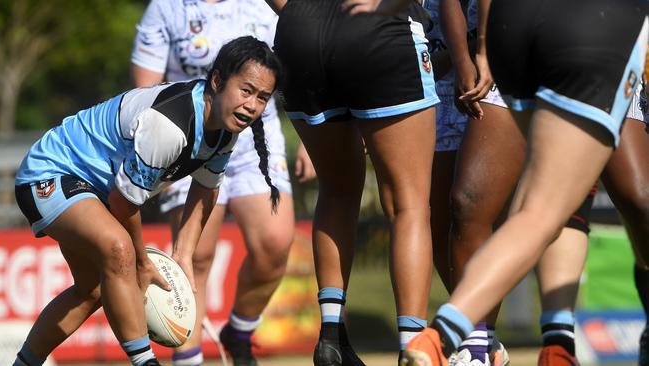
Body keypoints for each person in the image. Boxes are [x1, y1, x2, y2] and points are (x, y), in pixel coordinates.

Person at [398, 0, 649, 364]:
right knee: (543, 208)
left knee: (552, 202)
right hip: (588, 25)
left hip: (514, 26)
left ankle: (551, 343)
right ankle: (451, 334)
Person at [12, 36, 281, 366]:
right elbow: (124, 204)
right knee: (119, 249)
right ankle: (145, 362)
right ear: (217, 80)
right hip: (50, 172)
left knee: (91, 290)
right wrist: (141, 262)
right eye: (246, 90)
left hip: (93, 189)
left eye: (263, 97)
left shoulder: (227, 127)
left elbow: (206, 189)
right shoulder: (169, 125)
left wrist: (183, 254)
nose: (253, 105)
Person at [130, 1, 315, 365]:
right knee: (195, 254)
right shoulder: (166, 8)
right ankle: (188, 359)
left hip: (255, 143)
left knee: (275, 244)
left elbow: (299, 72)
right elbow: (145, 90)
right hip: (187, 138)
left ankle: (240, 332)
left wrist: (310, 138)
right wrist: (155, 153)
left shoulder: (267, 5)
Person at [267, 0, 440, 364]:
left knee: (336, 191)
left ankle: (332, 337)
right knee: (408, 204)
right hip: (379, 23)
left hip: (300, 31)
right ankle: (413, 346)